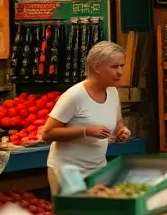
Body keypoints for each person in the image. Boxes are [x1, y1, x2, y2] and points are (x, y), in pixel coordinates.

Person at [41, 41, 132, 195]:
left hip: (98, 169)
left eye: (122, 66)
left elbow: (118, 121)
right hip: (67, 172)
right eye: (114, 67)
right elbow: (47, 133)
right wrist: (86, 131)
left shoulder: (112, 92)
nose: (120, 72)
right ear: (97, 67)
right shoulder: (74, 96)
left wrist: (121, 130)